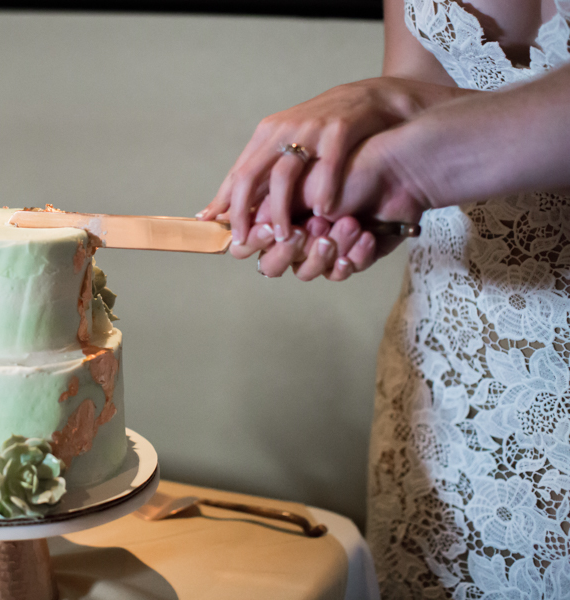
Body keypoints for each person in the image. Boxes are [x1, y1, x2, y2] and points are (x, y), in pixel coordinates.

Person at [199, 0, 570, 597]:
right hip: (447, 384)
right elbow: (424, 78)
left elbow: (421, 140)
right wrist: (377, 133)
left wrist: (415, 159)